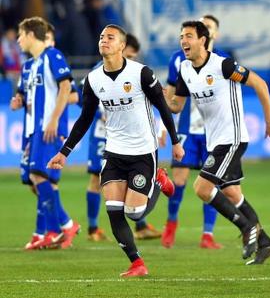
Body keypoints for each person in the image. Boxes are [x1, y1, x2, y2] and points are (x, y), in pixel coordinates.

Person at [47, 24, 181, 277]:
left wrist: (175, 141)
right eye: (101, 37)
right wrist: (64, 152)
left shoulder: (141, 73)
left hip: (143, 151)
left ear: (122, 45)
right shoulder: (93, 79)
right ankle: (137, 263)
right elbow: (85, 118)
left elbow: (162, 107)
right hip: (114, 152)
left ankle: (159, 180)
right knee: (113, 208)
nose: (104, 40)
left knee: (134, 212)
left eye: (110, 37)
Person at [166, 20, 270, 264]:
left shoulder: (224, 65)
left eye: (188, 36)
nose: (183, 41)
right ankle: (265, 243)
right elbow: (176, 104)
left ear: (203, 40)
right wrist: (155, 97)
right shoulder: (184, 69)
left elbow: (259, 83)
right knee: (232, 193)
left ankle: (246, 227)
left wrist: (269, 119)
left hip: (233, 139)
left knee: (201, 188)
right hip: (215, 141)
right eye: (181, 37)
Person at [83, 33, 161, 242]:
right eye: (131, 55)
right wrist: (99, 113)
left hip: (132, 141)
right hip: (103, 135)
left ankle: (140, 223)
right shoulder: (96, 74)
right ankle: (93, 228)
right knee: (96, 179)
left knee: (132, 180)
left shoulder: (136, 73)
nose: (133, 59)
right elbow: (78, 98)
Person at [13, 17, 79, 250]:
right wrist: (18, 100)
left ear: (31, 35)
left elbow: (66, 87)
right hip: (32, 131)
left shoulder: (53, 56)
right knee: (35, 180)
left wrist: (53, 120)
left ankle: (59, 227)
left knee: (40, 177)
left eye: (21, 35)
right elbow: (24, 94)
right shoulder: (29, 66)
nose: (18, 40)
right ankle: (59, 228)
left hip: (47, 129)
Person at [160, 14, 225, 249]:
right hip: (186, 129)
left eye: (209, 27)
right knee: (179, 180)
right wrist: (162, 126)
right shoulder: (178, 60)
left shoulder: (223, 61)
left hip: (213, 131)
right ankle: (171, 224)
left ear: (213, 34)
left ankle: (207, 235)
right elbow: (169, 98)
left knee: (211, 183)